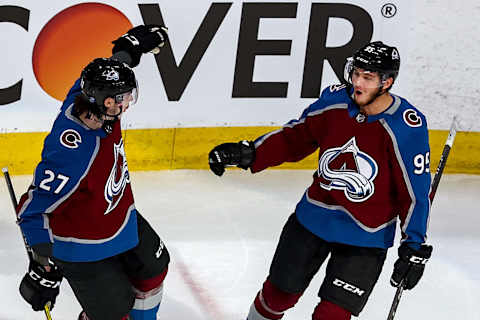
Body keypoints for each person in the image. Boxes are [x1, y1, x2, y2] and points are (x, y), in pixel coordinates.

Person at [208, 41, 433, 320]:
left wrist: (413, 244)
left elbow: (415, 194)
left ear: (387, 82)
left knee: (332, 316)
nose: (358, 83)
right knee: (276, 297)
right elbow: (296, 137)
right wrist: (251, 153)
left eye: (368, 77)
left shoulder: (405, 127)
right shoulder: (335, 102)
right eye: (356, 73)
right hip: (313, 219)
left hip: (366, 236)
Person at [16, 25, 170, 320]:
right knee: (114, 314)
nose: (126, 105)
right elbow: (32, 207)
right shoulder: (73, 151)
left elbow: (111, 69)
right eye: (122, 99)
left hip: (119, 217)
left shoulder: (90, 96)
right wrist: (42, 263)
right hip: (82, 245)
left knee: (154, 269)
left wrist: (128, 48)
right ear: (106, 102)